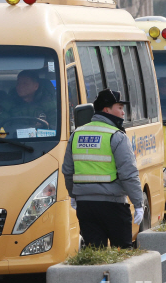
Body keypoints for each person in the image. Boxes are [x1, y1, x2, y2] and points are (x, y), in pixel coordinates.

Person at [62, 89, 144, 248]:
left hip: (86, 207)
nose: (122, 112)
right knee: (122, 255)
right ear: (106, 109)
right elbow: (128, 175)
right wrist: (138, 204)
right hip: (113, 206)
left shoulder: (77, 134)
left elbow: (68, 170)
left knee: (95, 255)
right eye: (119, 107)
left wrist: (73, 195)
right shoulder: (116, 136)